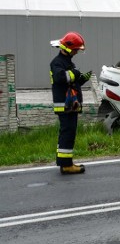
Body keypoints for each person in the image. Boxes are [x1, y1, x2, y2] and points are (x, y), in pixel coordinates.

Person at [49, 31, 91, 174]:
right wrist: (75, 74)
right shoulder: (57, 62)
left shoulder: (66, 62)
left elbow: (70, 82)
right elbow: (61, 78)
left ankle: (66, 162)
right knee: (68, 132)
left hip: (70, 105)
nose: (76, 52)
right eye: (75, 49)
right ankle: (66, 165)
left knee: (68, 132)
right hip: (65, 105)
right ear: (67, 48)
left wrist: (81, 79)